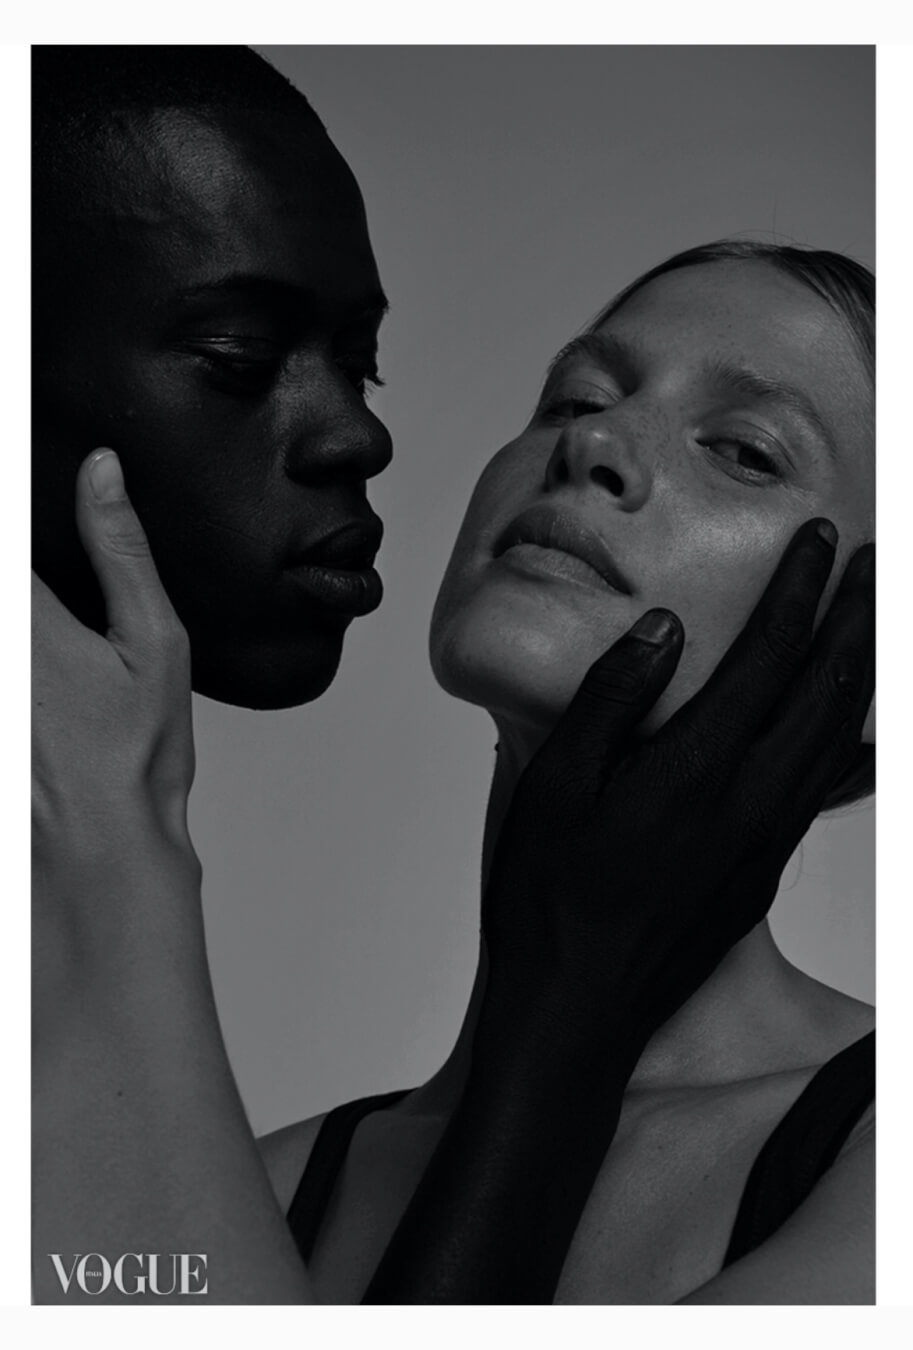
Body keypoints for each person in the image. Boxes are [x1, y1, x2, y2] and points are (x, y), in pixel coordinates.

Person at [34, 231, 875, 1301]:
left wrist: (119, 836)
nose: (597, 443)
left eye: (746, 451)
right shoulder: (261, 1187)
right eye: (572, 400)